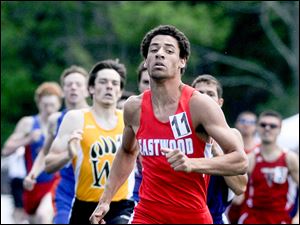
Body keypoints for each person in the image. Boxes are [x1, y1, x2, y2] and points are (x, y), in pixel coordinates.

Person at [89, 24, 248, 224]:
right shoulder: (134, 107)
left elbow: (240, 161)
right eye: (153, 50)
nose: (159, 54)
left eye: (169, 50)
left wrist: (193, 164)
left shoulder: (199, 105)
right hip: (148, 214)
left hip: (192, 215)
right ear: (146, 61)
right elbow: (127, 152)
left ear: (182, 61)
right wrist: (105, 200)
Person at [45, 59, 135, 224]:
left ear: (120, 90)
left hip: (121, 205)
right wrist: (68, 154)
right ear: (91, 88)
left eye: (115, 83)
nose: (109, 86)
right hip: (84, 205)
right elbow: (49, 164)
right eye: (103, 82)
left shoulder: (129, 120)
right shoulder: (76, 118)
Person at [22, 65, 90, 224]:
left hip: (92, 187)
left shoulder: (96, 116)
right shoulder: (55, 120)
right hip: (65, 187)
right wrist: (33, 173)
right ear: (62, 91)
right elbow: (45, 152)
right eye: (69, 84)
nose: (73, 88)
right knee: (49, 218)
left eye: (78, 84)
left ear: (88, 90)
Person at [2, 81, 63, 224]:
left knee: (43, 215)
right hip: (31, 183)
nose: (48, 109)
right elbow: (6, 149)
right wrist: (28, 139)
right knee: (33, 219)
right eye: (45, 105)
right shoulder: (28, 123)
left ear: (59, 104)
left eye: (52, 105)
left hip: (54, 181)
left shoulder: (64, 122)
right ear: (38, 103)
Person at [191, 74, 248, 224]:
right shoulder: (179, 133)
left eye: (210, 94)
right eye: (199, 93)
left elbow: (240, 187)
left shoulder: (232, 136)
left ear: (220, 102)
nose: (204, 98)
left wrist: (217, 151)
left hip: (214, 217)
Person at [238, 110, 299, 224]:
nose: (267, 128)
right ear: (257, 127)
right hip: (252, 218)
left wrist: (297, 217)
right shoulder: (250, 158)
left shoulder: (289, 158)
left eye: (272, 126)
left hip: (280, 218)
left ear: (280, 129)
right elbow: (238, 196)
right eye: (263, 125)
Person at [227, 110, 260, 224]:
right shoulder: (227, 148)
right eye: (243, 121)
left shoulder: (261, 151)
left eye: (250, 122)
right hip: (230, 203)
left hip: (254, 205)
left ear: (256, 126)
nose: (246, 124)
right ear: (236, 123)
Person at [1, 146, 28, 224]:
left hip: (27, 178)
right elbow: (5, 151)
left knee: (25, 209)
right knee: (18, 208)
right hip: (17, 178)